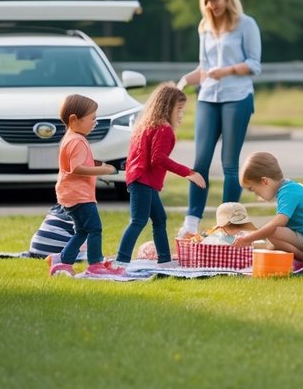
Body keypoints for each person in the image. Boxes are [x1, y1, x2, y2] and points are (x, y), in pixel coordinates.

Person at [176, 0, 262, 235]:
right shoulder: (205, 28)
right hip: (208, 98)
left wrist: (226, 71)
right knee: (199, 162)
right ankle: (191, 222)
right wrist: (182, 82)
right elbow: (204, 67)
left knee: (229, 164)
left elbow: (255, 65)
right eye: (208, 1)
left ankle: (227, 224)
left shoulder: (246, 25)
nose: (212, 5)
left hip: (237, 97)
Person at [115, 83, 206, 266]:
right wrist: (188, 173)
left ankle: (164, 259)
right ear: (167, 107)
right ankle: (121, 261)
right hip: (143, 181)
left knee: (159, 219)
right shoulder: (164, 130)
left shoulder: (147, 126)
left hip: (142, 180)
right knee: (138, 221)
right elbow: (158, 159)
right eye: (178, 109)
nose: (181, 114)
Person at [49, 94, 126, 277]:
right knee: (94, 228)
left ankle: (63, 260)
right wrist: (103, 171)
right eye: (92, 118)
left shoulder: (71, 137)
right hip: (79, 196)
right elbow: (76, 168)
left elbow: (79, 163)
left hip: (71, 194)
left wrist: (101, 165)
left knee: (82, 230)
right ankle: (95, 265)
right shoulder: (77, 140)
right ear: (74, 119)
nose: (95, 122)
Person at [233, 151, 303, 274]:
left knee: (273, 231)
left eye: (253, 189)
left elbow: (278, 224)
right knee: (273, 241)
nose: (256, 194)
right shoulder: (289, 187)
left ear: (264, 181)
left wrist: (248, 239)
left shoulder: (287, 193)